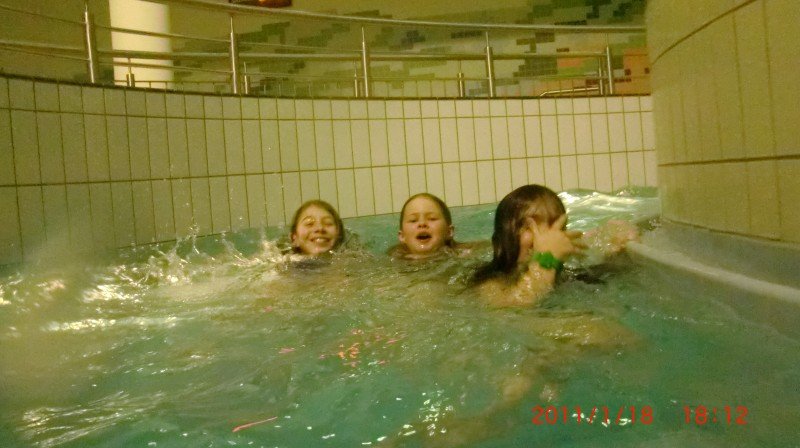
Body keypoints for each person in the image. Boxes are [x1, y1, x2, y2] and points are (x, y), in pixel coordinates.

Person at [471, 184, 582, 307]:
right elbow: (513, 306)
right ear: (501, 243)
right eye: (529, 227)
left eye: (554, 226)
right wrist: (546, 258)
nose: (545, 237)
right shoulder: (490, 283)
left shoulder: (570, 277)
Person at [388, 193, 483, 259]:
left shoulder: (465, 254)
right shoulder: (392, 261)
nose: (422, 223)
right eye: (413, 220)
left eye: (432, 218)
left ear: (449, 232)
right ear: (402, 236)